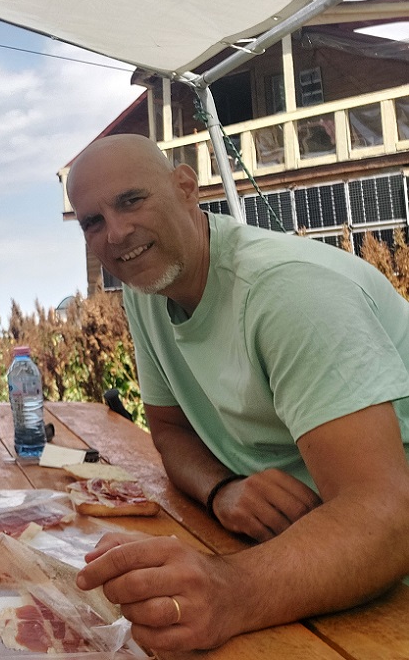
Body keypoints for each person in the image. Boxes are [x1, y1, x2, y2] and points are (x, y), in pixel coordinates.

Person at [65, 133, 409, 651]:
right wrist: (222, 490)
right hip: (306, 561)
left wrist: (228, 591)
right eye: (93, 221)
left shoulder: (287, 291)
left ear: (186, 187)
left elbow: (386, 516)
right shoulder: (148, 289)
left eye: (131, 200)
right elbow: (170, 433)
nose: (116, 233)